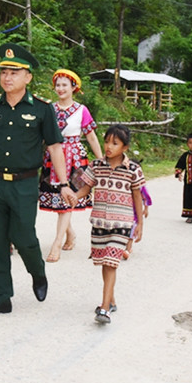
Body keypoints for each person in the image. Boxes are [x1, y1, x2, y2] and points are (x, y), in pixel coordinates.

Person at [0, 43, 77, 317]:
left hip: (24, 184)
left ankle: (37, 271)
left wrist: (64, 184)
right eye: (4, 72)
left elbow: (55, 147)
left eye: (14, 72)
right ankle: (1, 297)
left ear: (28, 77)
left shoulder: (43, 109)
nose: (7, 77)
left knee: (24, 237)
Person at [75, 124, 145, 324]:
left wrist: (139, 224)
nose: (108, 146)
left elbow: (137, 197)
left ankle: (104, 308)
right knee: (105, 264)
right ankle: (111, 300)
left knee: (111, 262)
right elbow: (85, 189)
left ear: (125, 148)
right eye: (106, 141)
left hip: (122, 223)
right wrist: (74, 196)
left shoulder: (133, 169)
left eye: (115, 143)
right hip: (100, 223)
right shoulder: (96, 166)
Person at [38, 68, 103, 262]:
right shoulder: (49, 109)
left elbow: (91, 136)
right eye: (57, 85)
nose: (60, 88)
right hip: (52, 158)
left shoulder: (82, 110)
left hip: (75, 160)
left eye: (64, 85)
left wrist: (101, 162)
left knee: (68, 201)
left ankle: (56, 243)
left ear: (74, 87)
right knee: (57, 200)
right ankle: (70, 233)